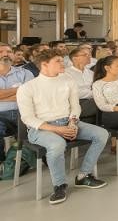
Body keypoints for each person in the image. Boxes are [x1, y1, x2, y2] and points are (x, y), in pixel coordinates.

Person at [17, 49, 109, 205]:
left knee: (101, 134)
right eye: (58, 61)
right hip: (41, 128)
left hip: (68, 121)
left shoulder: (67, 79)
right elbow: (28, 118)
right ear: (44, 64)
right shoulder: (27, 88)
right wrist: (58, 129)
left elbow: (75, 106)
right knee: (57, 144)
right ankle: (59, 185)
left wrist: (72, 123)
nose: (63, 63)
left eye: (62, 60)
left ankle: (83, 176)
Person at [65, 48, 118, 156]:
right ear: (75, 59)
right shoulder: (67, 73)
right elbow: (75, 93)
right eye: (85, 54)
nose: (89, 56)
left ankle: (115, 143)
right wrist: (95, 93)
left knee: (114, 102)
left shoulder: (90, 73)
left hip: (95, 100)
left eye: (89, 54)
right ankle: (115, 144)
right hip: (78, 104)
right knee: (111, 104)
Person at [0, 55, 34, 163]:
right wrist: (20, 89)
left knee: (37, 130)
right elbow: (24, 92)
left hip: (24, 113)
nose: (6, 54)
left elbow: (31, 94)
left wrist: (3, 96)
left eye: (9, 51)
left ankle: (26, 161)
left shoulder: (25, 73)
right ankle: (2, 164)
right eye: (1, 51)